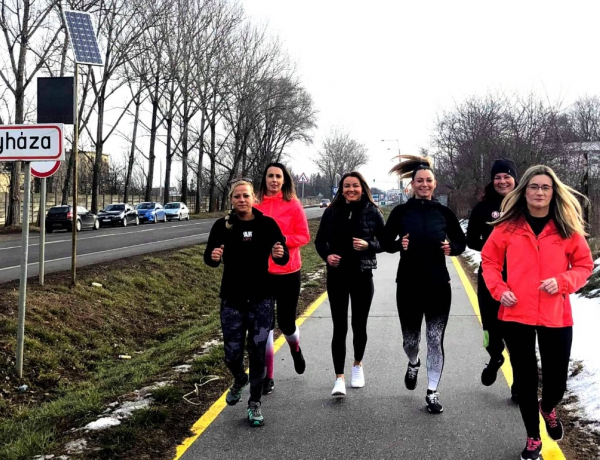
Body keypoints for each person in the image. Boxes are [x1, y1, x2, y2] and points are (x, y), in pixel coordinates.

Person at [481, 165, 593, 460]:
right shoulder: (508, 226)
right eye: (533, 186)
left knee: (556, 383)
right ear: (524, 191)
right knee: (525, 380)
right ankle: (533, 438)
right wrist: (499, 289)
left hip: (555, 314)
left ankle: (548, 407)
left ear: (553, 192)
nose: (539, 192)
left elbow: (584, 265)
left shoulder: (566, 228)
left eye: (545, 187)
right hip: (516, 312)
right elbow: (489, 262)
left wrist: (563, 281)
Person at [382, 155, 466, 414]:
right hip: (408, 285)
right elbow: (385, 242)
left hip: (438, 285)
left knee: (434, 338)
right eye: (420, 181)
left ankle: (432, 391)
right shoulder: (401, 212)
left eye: (429, 180)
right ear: (412, 184)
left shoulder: (444, 213)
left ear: (434, 184)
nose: (424, 184)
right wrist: (399, 244)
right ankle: (413, 362)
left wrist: (452, 248)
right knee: (410, 341)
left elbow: (461, 243)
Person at [204, 180, 289, 427]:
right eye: (237, 196)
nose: (242, 200)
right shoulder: (222, 226)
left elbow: (282, 255)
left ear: (254, 198)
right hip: (232, 300)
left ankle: (254, 403)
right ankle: (240, 378)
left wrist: (279, 254)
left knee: (258, 352)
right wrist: (214, 257)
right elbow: (209, 258)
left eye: (246, 196)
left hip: (262, 298)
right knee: (232, 353)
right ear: (231, 199)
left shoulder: (267, 224)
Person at [315, 171, 385, 397]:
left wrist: (368, 245)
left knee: (359, 325)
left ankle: (357, 365)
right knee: (339, 327)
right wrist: (327, 256)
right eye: (347, 186)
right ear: (341, 189)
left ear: (362, 188)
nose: (351, 189)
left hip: (362, 275)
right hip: (337, 276)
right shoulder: (331, 211)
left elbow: (386, 242)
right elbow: (319, 241)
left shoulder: (372, 211)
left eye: (355, 185)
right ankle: (339, 378)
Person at [255, 162, 310, 395]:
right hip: (262, 274)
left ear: (284, 180)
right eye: (270, 176)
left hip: (288, 273)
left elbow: (304, 236)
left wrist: (281, 240)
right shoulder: (255, 205)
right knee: (265, 326)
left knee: (286, 324)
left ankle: (295, 348)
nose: (274, 180)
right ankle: (267, 376)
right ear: (265, 179)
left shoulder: (293, 204)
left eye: (278, 176)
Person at [466, 158, 519, 396]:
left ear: (515, 179)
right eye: (497, 177)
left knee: (518, 332)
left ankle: (519, 383)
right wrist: (493, 250)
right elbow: (470, 240)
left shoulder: (526, 204)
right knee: (490, 326)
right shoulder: (483, 208)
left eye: (507, 176)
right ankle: (495, 356)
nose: (502, 181)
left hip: (520, 277)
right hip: (490, 274)